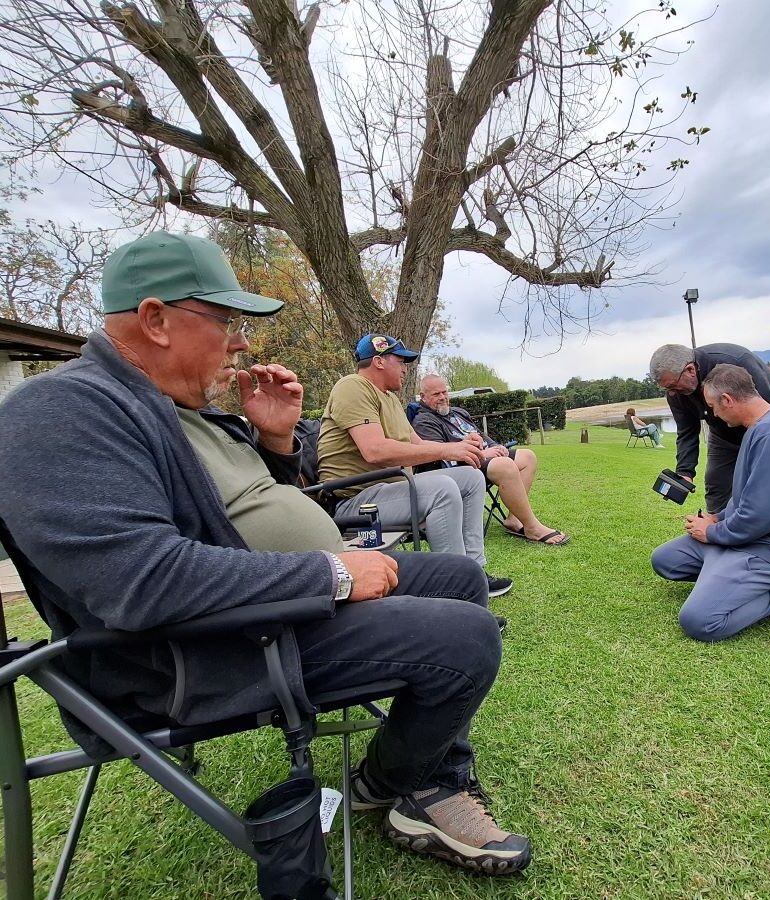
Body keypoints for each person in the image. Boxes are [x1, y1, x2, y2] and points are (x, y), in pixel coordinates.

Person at [0, 232, 531, 875]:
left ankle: (414, 774)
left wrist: (276, 442)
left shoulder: (181, 407)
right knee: (465, 638)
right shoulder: (59, 411)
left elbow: (243, 517)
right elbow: (139, 582)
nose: (242, 342)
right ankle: (401, 786)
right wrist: (330, 573)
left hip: (268, 605)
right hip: (200, 651)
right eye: (224, 320)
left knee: (455, 578)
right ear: (155, 319)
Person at [317, 336, 513, 597]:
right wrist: (447, 449)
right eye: (400, 361)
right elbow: (374, 451)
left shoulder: (390, 400)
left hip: (391, 491)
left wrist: (461, 443)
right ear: (378, 362)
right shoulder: (352, 386)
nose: (405, 368)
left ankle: (474, 573)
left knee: (471, 477)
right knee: (442, 488)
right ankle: (453, 591)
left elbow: (419, 446)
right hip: (356, 501)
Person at [651, 364, 770, 641]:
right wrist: (717, 518)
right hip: (745, 538)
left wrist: (711, 533)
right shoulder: (758, 428)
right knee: (667, 560)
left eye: (713, 407)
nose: (714, 415)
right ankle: (725, 574)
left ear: (727, 400)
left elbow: (763, 517)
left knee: (699, 621)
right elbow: (746, 498)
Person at [413, 374, 570, 546]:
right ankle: (532, 527)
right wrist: (483, 454)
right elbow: (441, 457)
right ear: (423, 397)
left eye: (444, 392)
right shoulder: (424, 421)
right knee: (505, 465)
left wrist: (496, 446)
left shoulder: (458, 413)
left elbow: (481, 435)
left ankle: (514, 519)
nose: (443, 397)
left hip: (483, 458)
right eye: (436, 394)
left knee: (528, 457)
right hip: (462, 467)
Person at [649, 343, 770, 515]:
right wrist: (684, 472)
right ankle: (716, 529)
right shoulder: (676, 394)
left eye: (673, 386)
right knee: (716, 482)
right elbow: (687, 431)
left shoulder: (737, 361)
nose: (672, 393)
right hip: (722, 433)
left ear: (690, 369)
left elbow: (768, 413)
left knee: (765, 479)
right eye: (667, 389)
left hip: (768, 416)